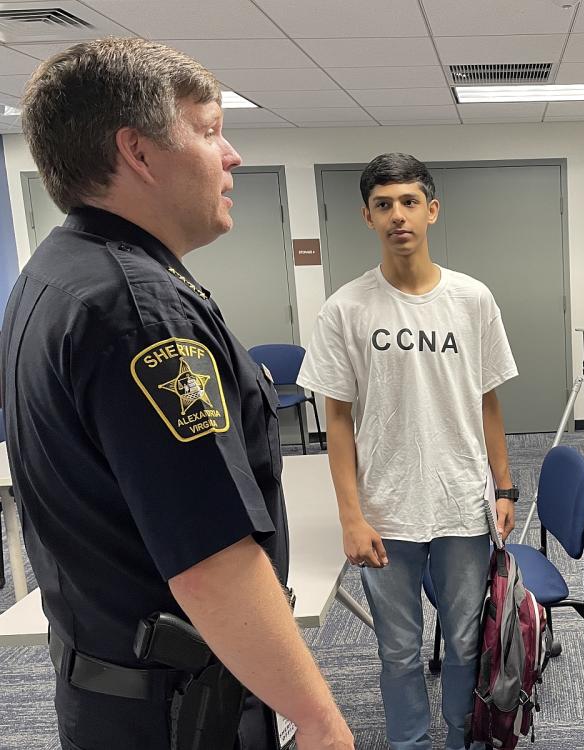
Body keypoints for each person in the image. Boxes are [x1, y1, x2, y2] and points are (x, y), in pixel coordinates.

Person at [0, 38, 353, 750]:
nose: (233, 157)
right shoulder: (137, 310)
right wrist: (316, 719)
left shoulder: (55, 272)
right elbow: (210, 558)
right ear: (139, 152)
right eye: (210, 129)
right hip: (178, 710)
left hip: (111, 689)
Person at [297, 153, 519, 750]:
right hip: (387, 511)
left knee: (466, 643)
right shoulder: (345, 308)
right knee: (397, 650)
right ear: (366, 217)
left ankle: (458, 739)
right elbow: (336, 420)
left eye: (410, 202)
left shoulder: (473, 299)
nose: (399, 216)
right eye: (384, 204)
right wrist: (350, 515)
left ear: (432, 210)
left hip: (461, 506)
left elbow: (488, 402)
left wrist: (503, 487)